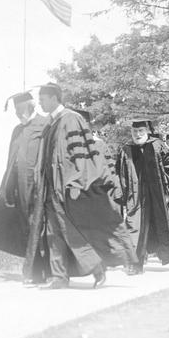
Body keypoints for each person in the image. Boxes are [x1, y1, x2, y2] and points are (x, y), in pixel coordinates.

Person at [30, 83, 137, 289]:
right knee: (54, 233)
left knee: (72, 231)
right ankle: (60, 277)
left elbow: (83, 153)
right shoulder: (50, 124)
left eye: (42, 98)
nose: (40, 103)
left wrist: (78, 181)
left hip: (68, 186)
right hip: (51, 188)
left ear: (54, 98)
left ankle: (97, 268)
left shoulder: (71, 119)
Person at [0, 91, 50, 284]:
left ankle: (41, 271)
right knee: (27, 227)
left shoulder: (45, 124)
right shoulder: (17, 130)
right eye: (16, 110)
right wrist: (9, 188)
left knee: (40, 227)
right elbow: (11, 161)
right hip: (20, 189)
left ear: (32, 105)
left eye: (22, 109)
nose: (19, 113)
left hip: (38, 186)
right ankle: (36, 272)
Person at [117, 119, 169, 274]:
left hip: (157, 194)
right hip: (136, 196)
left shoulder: (157, 145)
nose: (137, 134)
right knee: (135, 227)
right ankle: (136, 265)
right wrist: (124, 197)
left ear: (147, 131)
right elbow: (121, 175)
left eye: (141, 131)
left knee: (160, 224)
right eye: (135, 131)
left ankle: (164, 256)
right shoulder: (126, 149)